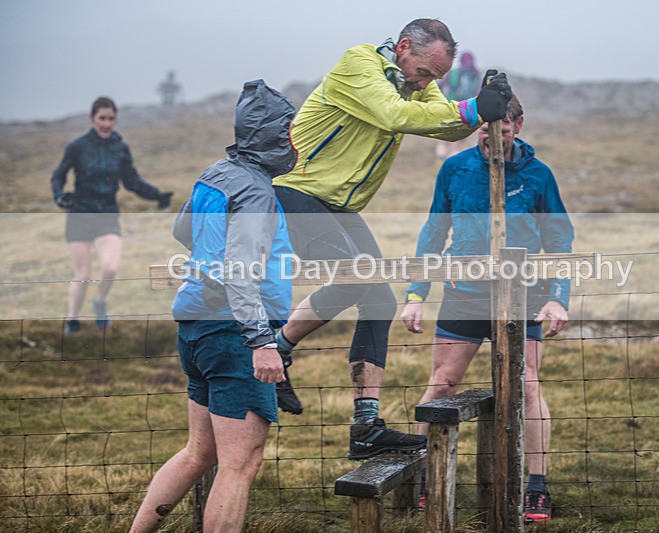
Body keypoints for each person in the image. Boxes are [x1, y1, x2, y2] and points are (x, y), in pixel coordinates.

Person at [270, 18, 514, 460]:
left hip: (340, 205)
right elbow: (394, 115)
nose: (426, 84)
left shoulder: (416, 82)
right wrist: (474, 109)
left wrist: (484, 103)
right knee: (359, 280)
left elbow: (443, 123)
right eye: (424, 73)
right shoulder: (358, 65)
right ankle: (276, 347)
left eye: (435, 78)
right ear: (403, 48)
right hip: (296, 190)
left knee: (379, 300)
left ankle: (365, 427)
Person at [130, 80, 296, 532]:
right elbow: (241, 271)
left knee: (199, 453)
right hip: (235, 336)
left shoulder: (216, 173)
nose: (296, 140)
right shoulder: (258, 192)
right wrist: (262, 341)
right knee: (239, 464)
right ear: (276, 137)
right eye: (291, 131)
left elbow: (183, 229)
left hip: (197, 328)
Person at [400, 94, 574, 523]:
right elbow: (434, 231)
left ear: (519, 124)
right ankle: (422, 477)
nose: (492, 137)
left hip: (523, 295)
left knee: (527, 387)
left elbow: (559, 241)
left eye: (503, 129)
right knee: (442, 383)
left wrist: (558, 297)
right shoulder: (455, 168)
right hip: (464, 294)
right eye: (485, 129)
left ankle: (536, 486)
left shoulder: (538, 175)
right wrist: (417, 293)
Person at [51, 96, 173, 334]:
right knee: (83, 274)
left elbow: (131, 181)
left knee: (110, 268)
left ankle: (100, 301)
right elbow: (58, 176)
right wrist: (59, 195)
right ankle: (73, 319)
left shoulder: (120, 147)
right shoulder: (77, 146)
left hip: (107, 215)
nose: (107, 123)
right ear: (92, 119)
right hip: (80, 215)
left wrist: (156, 195)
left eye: (111, 119)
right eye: (102, 118)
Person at [435, 50, 482, 161]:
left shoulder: (454, 72)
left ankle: (441, 158)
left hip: (449, 106)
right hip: (467, 109)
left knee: (444, 135)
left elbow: (439, 86)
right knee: (458, 140)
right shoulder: (476, 75)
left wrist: (437, 100)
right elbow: (479, 93)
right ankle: (453, 159)